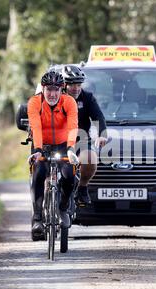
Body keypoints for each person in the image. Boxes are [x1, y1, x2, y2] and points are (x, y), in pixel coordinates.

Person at [27, 70, 79, 241]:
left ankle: (63, 209)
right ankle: (37, 219)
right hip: (42, 145)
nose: (52, 93)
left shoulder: (69, 102)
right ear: (42, 89)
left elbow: (72, 126)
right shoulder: (34, 103)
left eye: (56, 89)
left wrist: (71, 149)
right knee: (39, 173)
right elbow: (36, 127)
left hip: (64, 145)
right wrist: (38, 151)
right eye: (49, 89)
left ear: (62, 89)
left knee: (69, 175)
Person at [61, 65, 108, 206]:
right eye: (71, 84)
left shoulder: (87, 98)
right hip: (59, 140)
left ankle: (82, 187)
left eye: (78, 84)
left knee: (90, 160)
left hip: (80, 140)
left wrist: (102, 135)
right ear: (64, 84)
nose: (75, 88)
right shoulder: (56, 97)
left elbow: (98, 117)